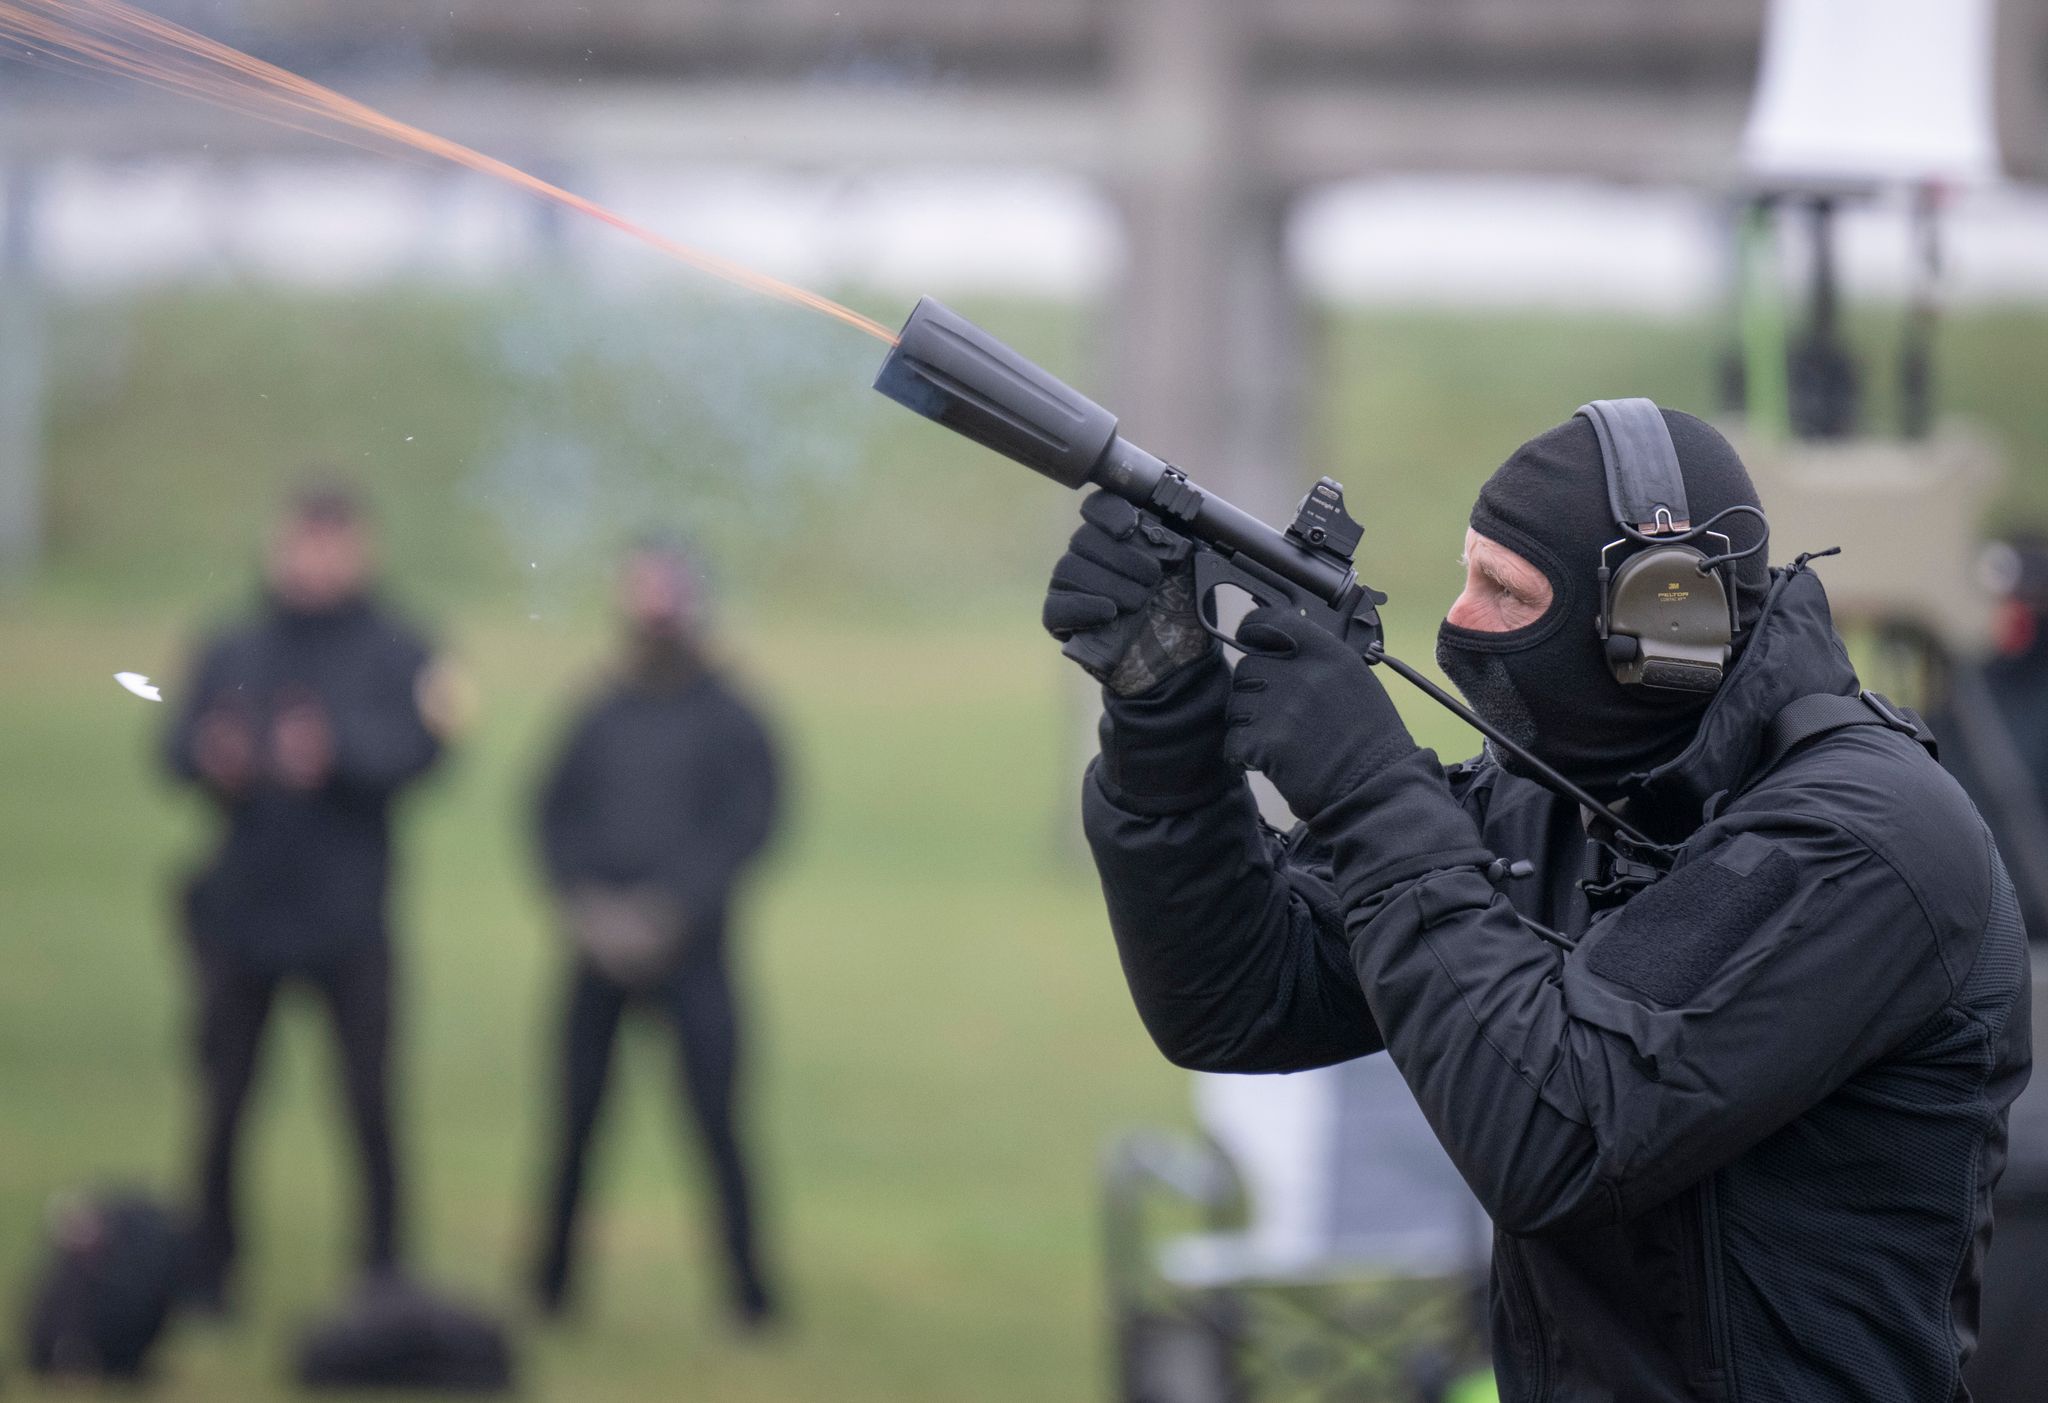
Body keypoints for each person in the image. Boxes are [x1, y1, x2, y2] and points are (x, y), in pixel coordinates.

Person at [1044, 404, 2030, 1400]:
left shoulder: (1863, 839)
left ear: (1664, 621)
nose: (1458, 620)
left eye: (1505, 590)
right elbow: (1238, 996)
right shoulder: (1561, 793)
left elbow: (1557, 1140)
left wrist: (1371, 794)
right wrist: (1162, 717)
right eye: (1467, 572)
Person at [165, 482, 446, 1312]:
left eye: (330, 544)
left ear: (361, 549)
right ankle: (211, 1271)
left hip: (348, 916)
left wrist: (336, 753)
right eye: (301, 542)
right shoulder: (233, 644)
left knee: (368, 1102)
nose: (313, 562)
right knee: (224, 1101)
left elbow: (426, 749)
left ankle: (383, 1271)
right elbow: (172, 743)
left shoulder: (399, 647)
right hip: (242, 912)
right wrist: (211, 757)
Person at [530, 539, 782, 1329]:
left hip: (694, 953)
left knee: (717, 1125)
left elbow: (751, 822)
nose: (653, 610)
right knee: (576, 1123)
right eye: (640, 592)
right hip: (596, 951)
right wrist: (586, 905)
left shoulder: (732, 714)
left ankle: (750, 1297)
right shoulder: (597, 710)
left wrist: (673, 908)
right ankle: (550, 1291)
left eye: (666, 593)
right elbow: (549, 814)